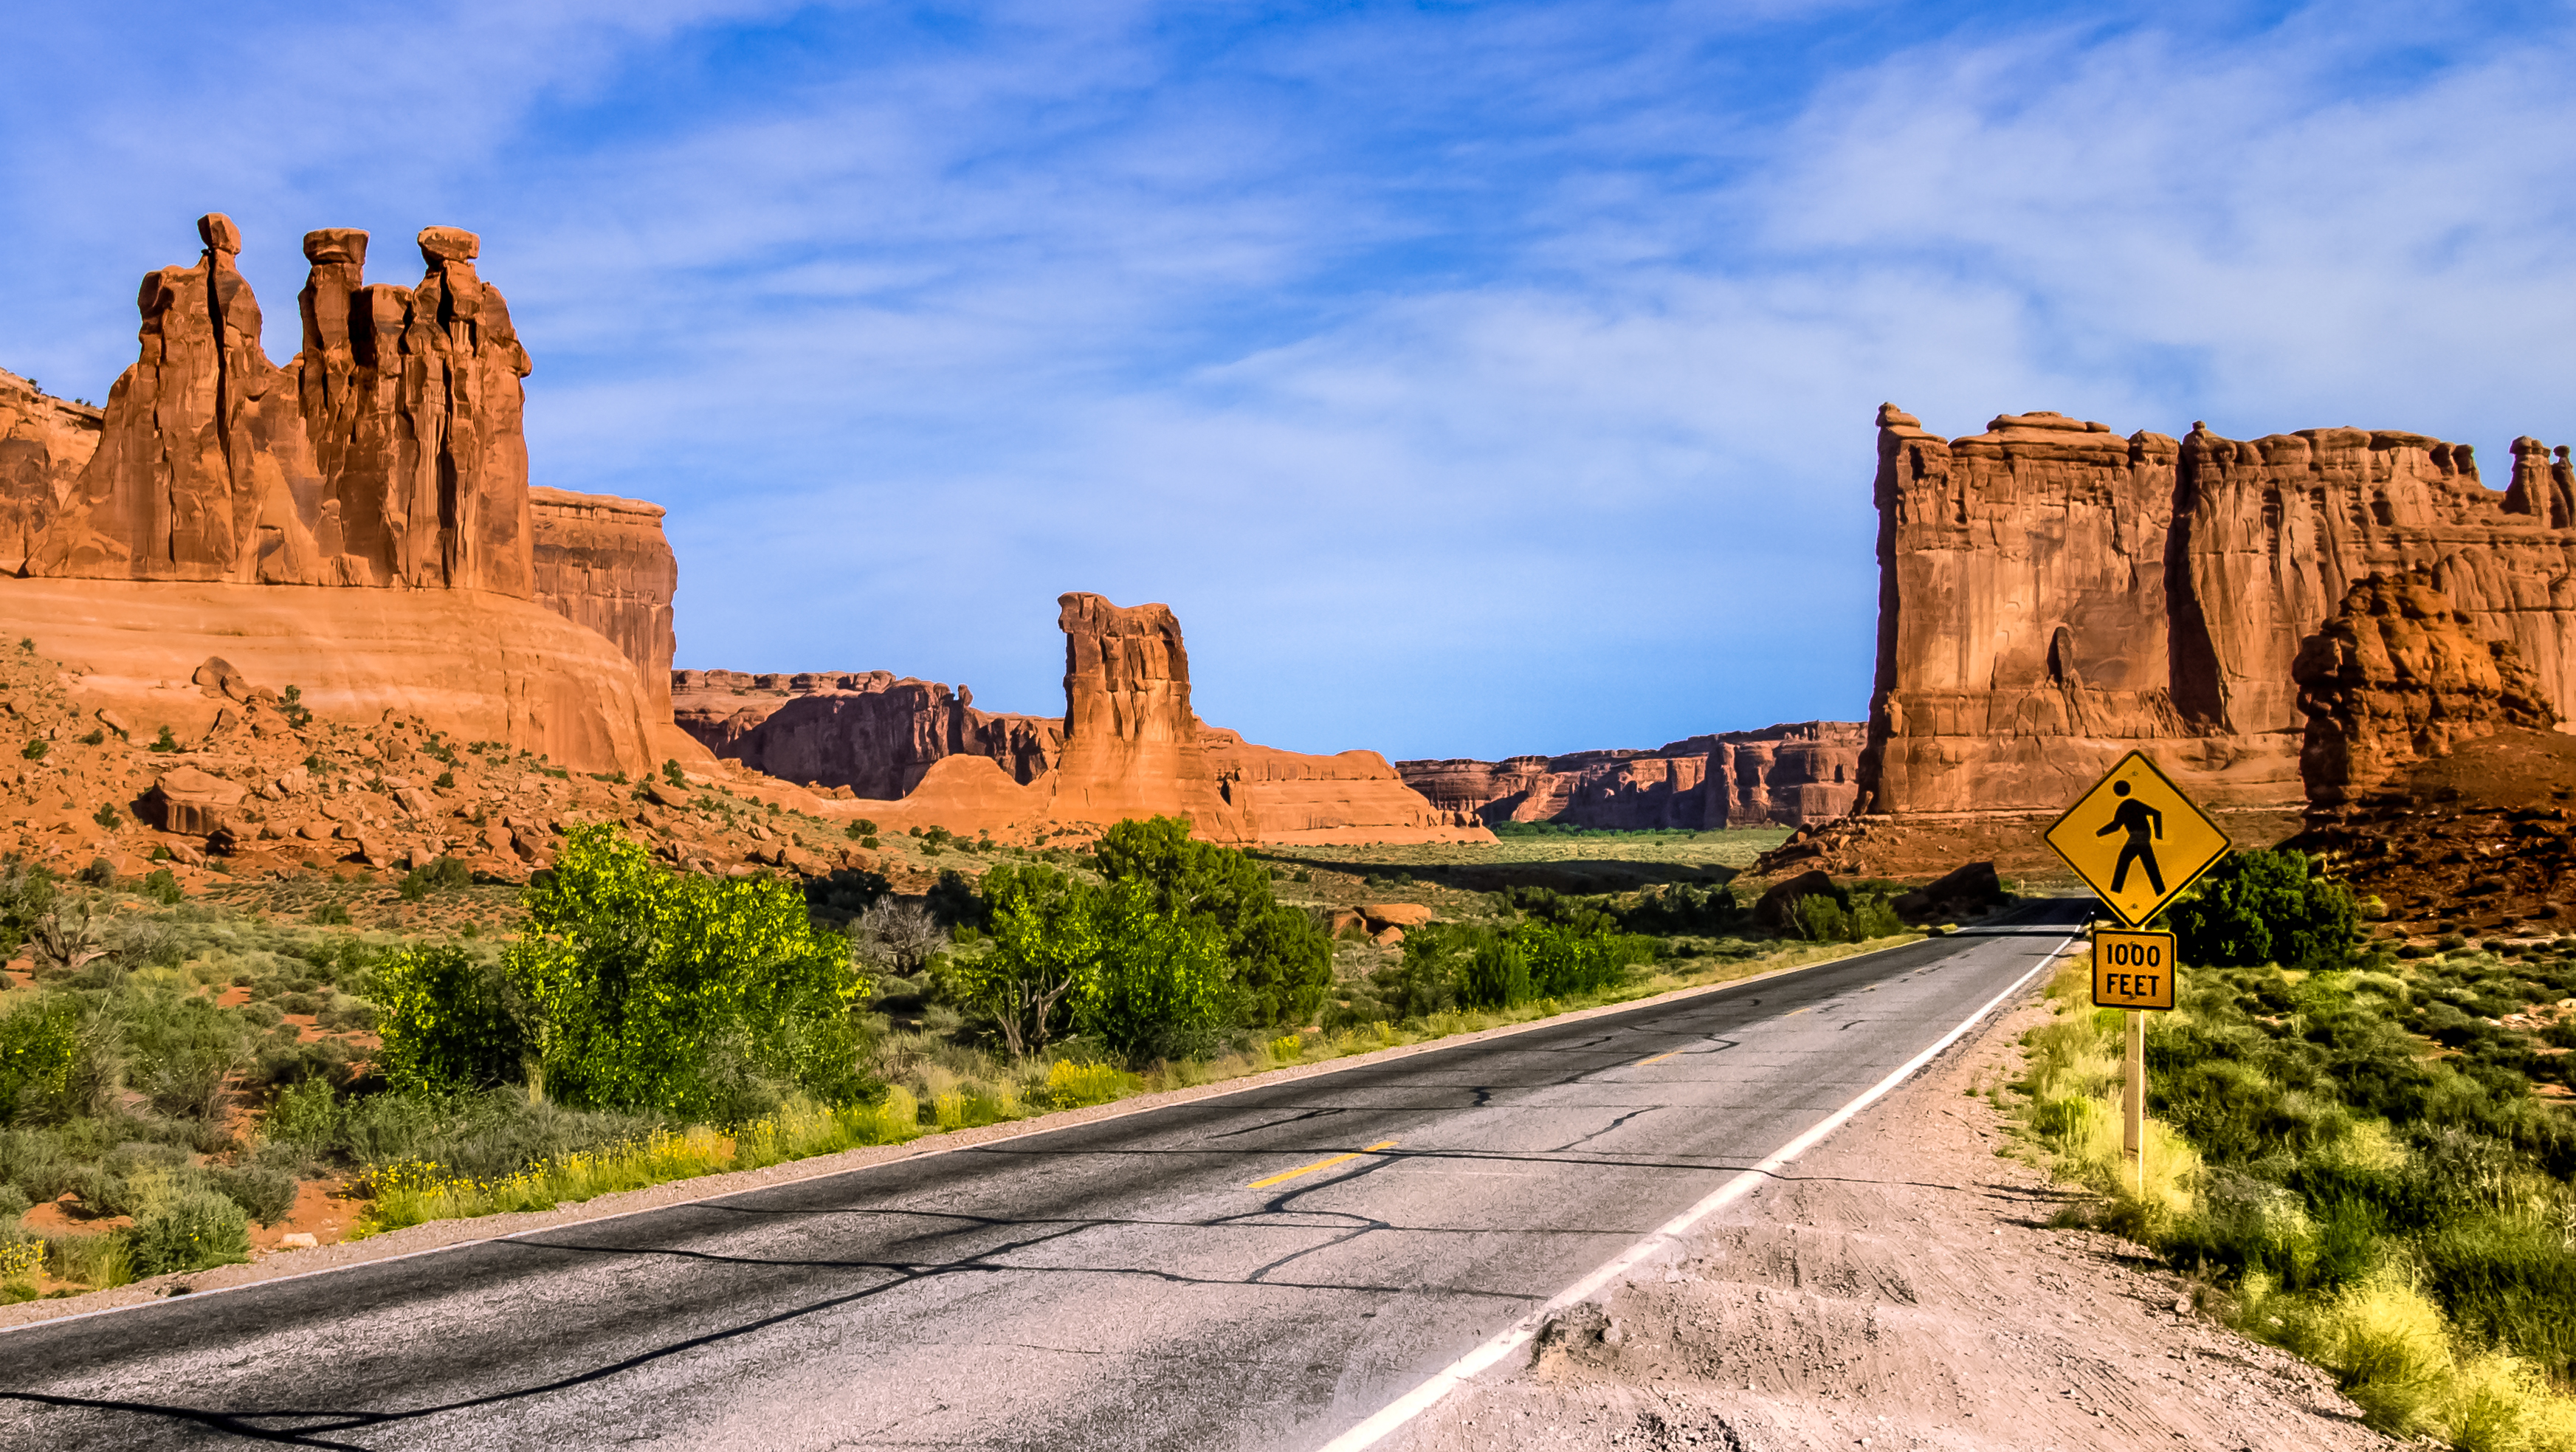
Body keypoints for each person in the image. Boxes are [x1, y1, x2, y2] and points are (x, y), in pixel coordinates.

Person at [2097, 780, 2164, 895]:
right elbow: (2116, 826)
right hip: (2138, 838)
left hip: (2139, 838)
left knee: (2126, 860)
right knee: (2148, 864)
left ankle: (2116, 891)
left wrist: (2158, 835)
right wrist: (2098, 833)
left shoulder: (2130, 804)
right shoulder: (2125, 806)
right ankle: (2160, 891)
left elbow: (2156, 813)